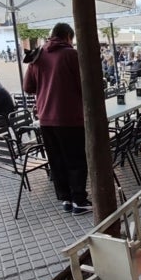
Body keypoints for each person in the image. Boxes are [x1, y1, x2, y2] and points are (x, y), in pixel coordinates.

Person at [23, 23, 92, 215]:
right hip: (70, 117)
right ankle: (79, 200)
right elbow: (84, 85)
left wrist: (46, 86)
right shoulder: (71, 54)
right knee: (76, 159)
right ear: (68, 37)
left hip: (45, 118)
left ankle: (66, 199)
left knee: (57, 160)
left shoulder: (37, 55)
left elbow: (28, 87)